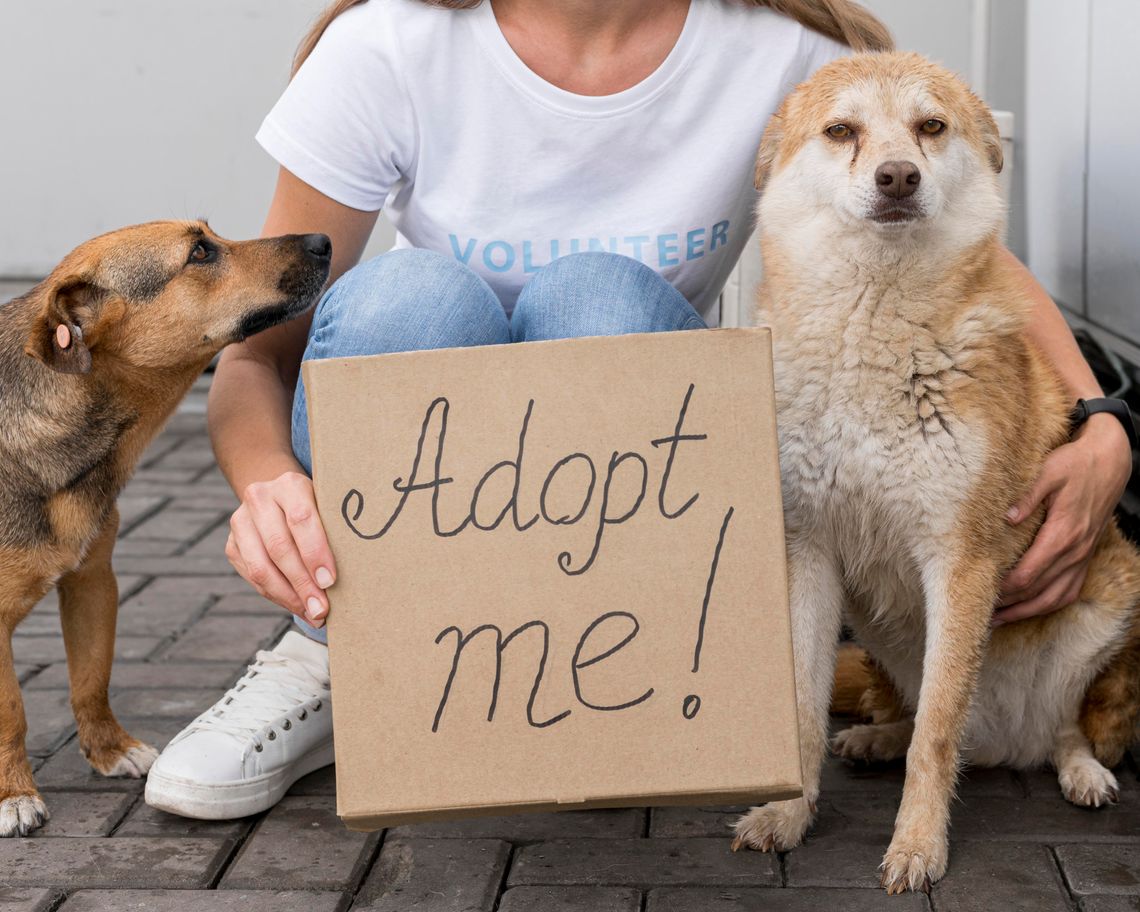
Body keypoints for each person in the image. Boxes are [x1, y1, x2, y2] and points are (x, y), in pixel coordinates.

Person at [143, 0, 1134, 819]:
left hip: (624, 483)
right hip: (427, 475)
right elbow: (257, 352)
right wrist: (270, 489)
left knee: (595, 296)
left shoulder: (791, 54)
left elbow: (960, 242)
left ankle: (606, 675)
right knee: (415, 296)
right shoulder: (390, 46)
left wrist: (1102, 422)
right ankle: (339, 655)